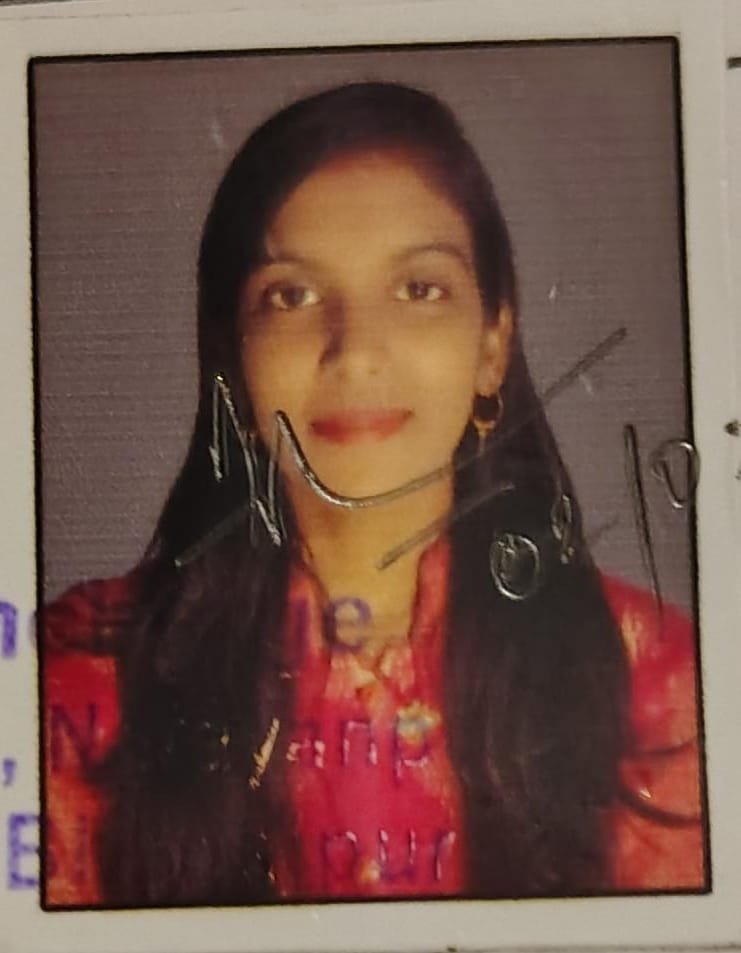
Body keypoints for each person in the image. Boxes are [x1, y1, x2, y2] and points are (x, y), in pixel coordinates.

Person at [43, 81, 704, 907]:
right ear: (233, 363)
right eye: (291, 295)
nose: (355, 351)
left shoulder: (663, 686)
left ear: (492, 343)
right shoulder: (76, 681)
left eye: (418, 289)